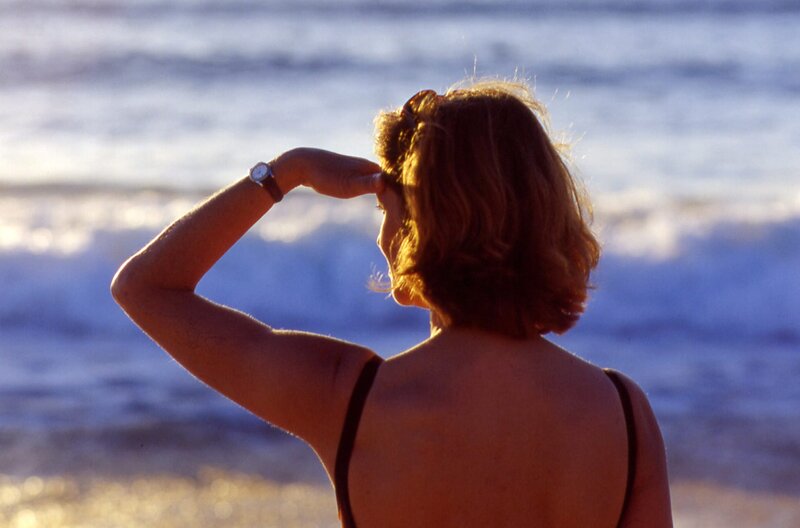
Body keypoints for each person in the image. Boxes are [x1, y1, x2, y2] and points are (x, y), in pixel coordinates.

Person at [111, 80, 672, 527]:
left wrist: (285, 173)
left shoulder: (351, 400)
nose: (382, 236)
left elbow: (145, 287)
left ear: (421, 226)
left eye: (388, 210)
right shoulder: (621, 415)